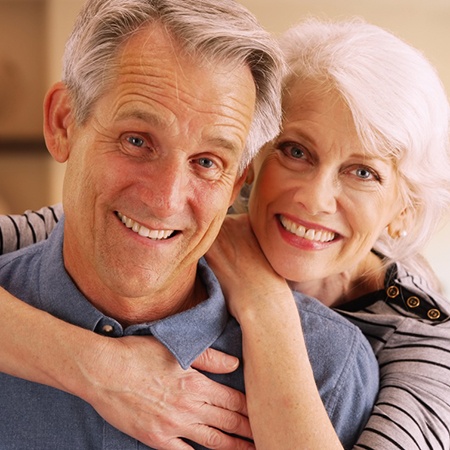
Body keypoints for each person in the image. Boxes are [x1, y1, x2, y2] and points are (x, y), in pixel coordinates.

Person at [0, 3, 378, 450]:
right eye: (137, 141)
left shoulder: (328, 368)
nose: (165, 200)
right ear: (63, 123)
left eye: (206, 162)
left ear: (238, 179)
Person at [206, 18, 450, 449]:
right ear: (258, 151)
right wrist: (98, 368)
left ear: (403, 210)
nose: (315, 199)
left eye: (362, 172)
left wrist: (265, 303)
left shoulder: (431, 348)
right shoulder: (193, 219)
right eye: (296, 151)